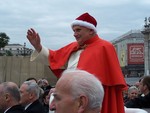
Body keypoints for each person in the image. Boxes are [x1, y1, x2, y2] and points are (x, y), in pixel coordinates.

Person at [26, 12, 127, 113]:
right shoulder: (73, 47)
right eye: (74, 30)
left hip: (92, 101)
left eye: (78, 30)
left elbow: (110, 83)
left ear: (91, 31)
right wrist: (37, 46)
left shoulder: (105, 47)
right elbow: (53, 58)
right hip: (71, 99)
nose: (74, 34)